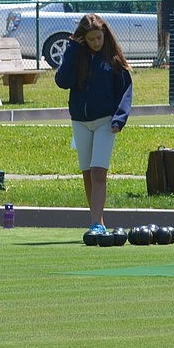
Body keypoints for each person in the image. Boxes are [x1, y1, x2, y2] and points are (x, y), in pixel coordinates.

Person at [53, 13, 134, 240]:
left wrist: (119, 118)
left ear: (104, 35)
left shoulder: (113, 60)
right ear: (83, 39)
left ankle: (94, 224)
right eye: (91, 39)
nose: (96, 43)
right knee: (88, 173)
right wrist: (72, 50)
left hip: (105, 122)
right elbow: (62, 81)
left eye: (99, 38)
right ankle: (98, 221)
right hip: (80, 121)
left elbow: (126, 92)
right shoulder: (76, 56)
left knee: (99, 172)